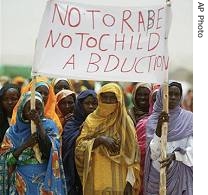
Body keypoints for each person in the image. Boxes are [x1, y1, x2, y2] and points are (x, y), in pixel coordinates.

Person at [75, 83, 140, 195]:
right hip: (96, 178)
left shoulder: (125, 122)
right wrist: (100, 140)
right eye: (105, 97)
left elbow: (133, 155)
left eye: (112, 98)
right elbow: (79, 148)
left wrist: (129, 182)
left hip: (120, 181)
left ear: (119, 100)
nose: (108, 101)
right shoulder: (91, 120)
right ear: (100, 98)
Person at [0, 91, 67, 194]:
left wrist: (38, 123)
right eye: (31, 108)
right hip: (22, 182)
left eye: (38, 107)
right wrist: (26, 144)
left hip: (45, 180)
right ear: (22, 110)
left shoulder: (50, 126)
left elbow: (51, 152)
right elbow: (7, 161)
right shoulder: (12, 132)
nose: (35, 111)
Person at [143, 81, 193, 195]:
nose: (174, 97)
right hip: (157, 178)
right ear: (162, 95)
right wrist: (158, 129)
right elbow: (154, 154)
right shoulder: (153, 120)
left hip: (181, 178)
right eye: (169, 94)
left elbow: (195, 152)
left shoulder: (189, 119)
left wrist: (175, 156)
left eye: (177, 95)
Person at [62, 89, 97, 195]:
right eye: (87, 103)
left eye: (94, 103)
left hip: (95, 171)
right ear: (80, 105)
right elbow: (67, 146)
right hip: (75, 173)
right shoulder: (71, 124)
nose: (91, 107)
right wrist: (80, 132)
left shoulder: (102, 124)